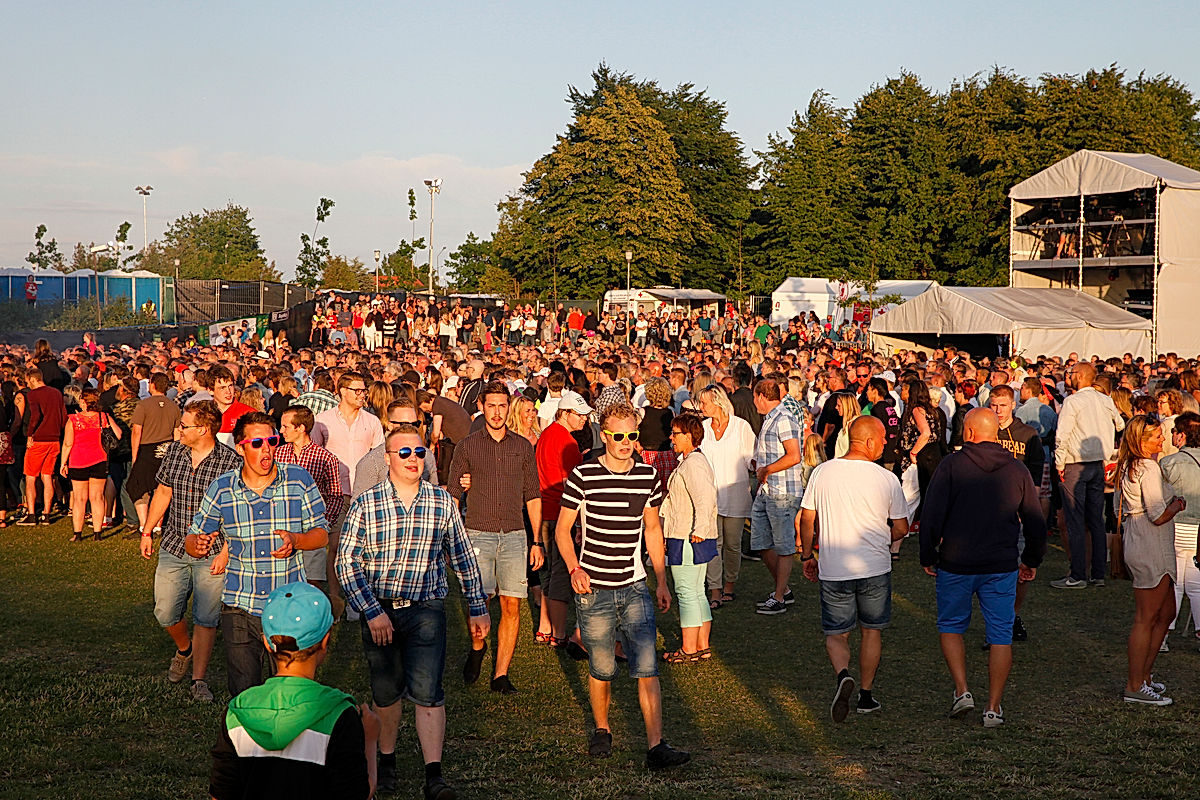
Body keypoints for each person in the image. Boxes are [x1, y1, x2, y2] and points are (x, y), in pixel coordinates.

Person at [335, 424, 491, 799]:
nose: (413, 460)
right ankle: (386, 763)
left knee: (429, 692)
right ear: (387, 458)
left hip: (425, 608)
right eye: (404, 453)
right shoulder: (366, 503)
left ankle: (433, 775)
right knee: (386, 694)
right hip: (381, 610)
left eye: (419, 453)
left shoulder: (441, 502)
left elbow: (463, 557)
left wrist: (477, 607)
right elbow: (346, 562)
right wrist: (372, 612)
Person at [553, 402, 689, 769]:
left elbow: (653, 529)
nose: (626, 442)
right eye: (618, 436)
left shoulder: (648, 477)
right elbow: (562, 530)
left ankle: (656, 745)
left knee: (647, 666)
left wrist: (661, 580)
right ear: (604, 435)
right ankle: (602, 729)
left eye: (632, 435)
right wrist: (574, 569)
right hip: (593, 586)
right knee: (601, 666)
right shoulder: (583, 475)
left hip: (634, 586)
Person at [185, 412, 329, 697]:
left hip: (288, 606)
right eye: (257, 442)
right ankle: (245, 741)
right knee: (243, 690)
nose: (267, 449)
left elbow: (322, 534)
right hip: (240, 602)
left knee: (290, 691)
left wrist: (297, 540)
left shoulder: (298, 480)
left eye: (272, 440)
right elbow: (194, 535)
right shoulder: (223, 487)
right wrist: (197, 545)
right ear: (240, 447)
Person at [919, 409, 1047, 727]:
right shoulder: (1016, 469)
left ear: (971, 433)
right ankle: (993, 706)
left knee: (951, 626)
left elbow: (931, 514)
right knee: (1001, 634)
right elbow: (1034, 519)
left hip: (955, 561)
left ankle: (962, 690)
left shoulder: (951, 465)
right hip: (1001, 563)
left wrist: (927, 554)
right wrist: (1031, 559)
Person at [208, 582, 378, 800]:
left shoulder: (237, 712)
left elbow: (220, 794)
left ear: (267, 643)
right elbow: (358, 793)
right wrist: (371, 741)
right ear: (325, 641)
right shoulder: (340, 715)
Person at [797, 416, 908, 721]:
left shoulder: (823, 472)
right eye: (883, 438)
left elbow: (807, 518)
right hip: (874, 566)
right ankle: (867, 694)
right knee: (871, 631)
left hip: (834, 567)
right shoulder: (886, 478)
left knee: (837, 633)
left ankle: (843, 674)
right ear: (869, 441)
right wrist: (885, 537)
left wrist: (808, 554)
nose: (886, 443)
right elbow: (902, 526)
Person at [140, 400, 242, 703]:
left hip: (212, 551)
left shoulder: (230, 462)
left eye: (184, 425)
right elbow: (163, 492)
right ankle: (184, 649)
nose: (179, 429)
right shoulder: (175, 452)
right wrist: (147, 530)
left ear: (204, 429)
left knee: (206, 617)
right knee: (165, 611)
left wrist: (226, 550)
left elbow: (237, 511)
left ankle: (199, 679)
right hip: (174, 544)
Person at [447, 381, 543, 694]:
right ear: (482, 407)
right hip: (478, 532)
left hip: (515, 535)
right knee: (480, 601)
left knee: (512, 605)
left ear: (508, 407)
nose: (497, 412)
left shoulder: (523, 446)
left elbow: (532, 495)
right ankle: (478, 648)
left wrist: (537, 540)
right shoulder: (468, 445)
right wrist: (450, 536)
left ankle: (501, 674)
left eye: (502, 405)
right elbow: (454, 494)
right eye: (492, 405)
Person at [1116, 415, 1185, 705]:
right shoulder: (1147, 467)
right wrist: (1177, 505)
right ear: (1139, 441)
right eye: (1155, 437)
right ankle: (1134, 684)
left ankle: (1144, 675)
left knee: (1166, 611)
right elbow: (1157, 514)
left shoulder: (1135, 465)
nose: (1161, 440)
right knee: (1146, 617)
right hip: (1148, 543)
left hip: (1147, 541)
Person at [313, 372, 385, 619]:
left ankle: (358, 599)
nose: (362, 394)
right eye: (357, 390)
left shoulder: (372, 421)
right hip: (335, 492)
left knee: (364, 549)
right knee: (334, 546)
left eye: (364, 390)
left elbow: (380, 456)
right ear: (342, 391)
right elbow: (316, 455)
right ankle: (335, 600)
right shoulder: (323, 421)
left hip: (365, 492)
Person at [1053, 362, 1125, 588]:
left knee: (1075, 520)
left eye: (1071, 373)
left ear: (1081, 376)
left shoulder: (1073, 401)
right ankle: (1097, 573)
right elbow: (1120, 423)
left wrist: (1059, 462)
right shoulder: (1105, 400)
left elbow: (1062, 434)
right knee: (1095, 520)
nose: (1069, 377)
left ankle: (1077, 575)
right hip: (1097, 464)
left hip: (1075, 463)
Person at [533, 393, 591, 649]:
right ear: (565, 413)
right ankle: (557, 632)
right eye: (579, 415)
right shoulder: (566, 441)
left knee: (550, 572)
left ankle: (545, 627)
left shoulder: (547, 434)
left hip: (545, 510)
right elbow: (572, 483)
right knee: (560, 572)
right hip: (560, 513)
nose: (584, 420)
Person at [659, 412, 718, 663]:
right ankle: (701, 645)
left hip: (687, 536)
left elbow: (705, 498)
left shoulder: (693, 463)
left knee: (686, 592)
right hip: (690, 534)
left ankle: (689, 648)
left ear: (689, 436)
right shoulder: (692, 460)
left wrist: (699, 530)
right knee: (696, 591)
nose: (671, 438)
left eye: (675, 433)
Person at [989, 384, 1044, 643]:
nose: (998, 411)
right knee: (991, 572)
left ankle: (1011, 616)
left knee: (1021, 571)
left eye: (1002, 405)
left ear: (1013, 404)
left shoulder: (1028, 434)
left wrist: (1025, 508)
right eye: (993, 405)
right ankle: (998, 623)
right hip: (988, 512)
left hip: (1017, 512)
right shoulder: (984, 431)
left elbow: (1035, 476)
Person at [276, 405, 346, 597]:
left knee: (312, 582)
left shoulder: (326, 458)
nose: (281, 431)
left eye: (285, 427)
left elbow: (335, 495)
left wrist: (323, 524)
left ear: (301, 428)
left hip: (311, 529)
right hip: (282, 526)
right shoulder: (278, 454)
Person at [696, 383, 754, 609]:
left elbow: (752, 456)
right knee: (714, 543)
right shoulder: (703, 428)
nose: (701, 407)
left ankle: (730, 584)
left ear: (717, 403)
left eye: (704, 402)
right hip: (709, 495)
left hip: (736, 493)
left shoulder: (741, 427)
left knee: (732, 544)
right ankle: (715, 589)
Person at [750, 377, 803, 615]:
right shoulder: (770, 419)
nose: (754, 403)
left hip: (782, 491)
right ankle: (783, 589)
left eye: (754, 397)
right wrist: (759, 464)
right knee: (760, 542)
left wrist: (767, 469)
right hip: (767, 488)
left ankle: (780, 596)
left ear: (762, 396)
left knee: (783, 545)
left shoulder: (784, 419)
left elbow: (794, 455)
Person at [60, 385, 122, 542]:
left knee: (80, 498)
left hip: (78, 460)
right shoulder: (103, 417)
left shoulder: (74, 420)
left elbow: (67, 443)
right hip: (99, 460)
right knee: (97, 497)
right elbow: (119, 434)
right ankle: (97, 533)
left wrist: (63, 463)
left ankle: (78, 533)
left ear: (83, 401)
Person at [1160, 411, 1200, 650]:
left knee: (1173, 582)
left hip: (1176, 526)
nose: (1172, 435)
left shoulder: (1168, 463)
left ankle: (1163, 634)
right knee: (1195, 582)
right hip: (1198, 530)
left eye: (1174, 431)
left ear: (1182, 435)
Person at [127, 373, 181, 532]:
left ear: (152, 385)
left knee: (138, 486)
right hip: (167, 448)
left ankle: (144, 524)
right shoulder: (174, 406)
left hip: (147, 449)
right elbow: (177, 432)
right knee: (161, 487)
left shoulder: (143, 405)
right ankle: (157, 524)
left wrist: (134, 455)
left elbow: (137, 431)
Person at [19, 367, 66, 526]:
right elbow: (63, 415)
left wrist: (30, 434)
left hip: (39, 439)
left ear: (32, 379)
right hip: (54, 439)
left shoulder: (33, 394)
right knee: (47, 476)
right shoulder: (56, 393)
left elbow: (35, 416)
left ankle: (32, 514)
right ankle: (46, 513)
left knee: (30, 477)